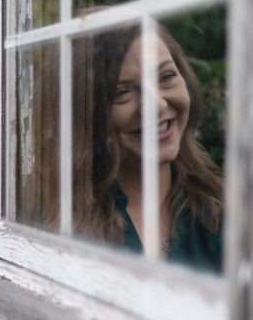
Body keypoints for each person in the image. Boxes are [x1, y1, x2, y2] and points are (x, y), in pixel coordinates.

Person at [70, 18, 224, 271]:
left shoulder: (228, 213)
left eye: (166, 76)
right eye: (122, 92)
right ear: (88, 113)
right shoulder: (58, 226)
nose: (158, 104)